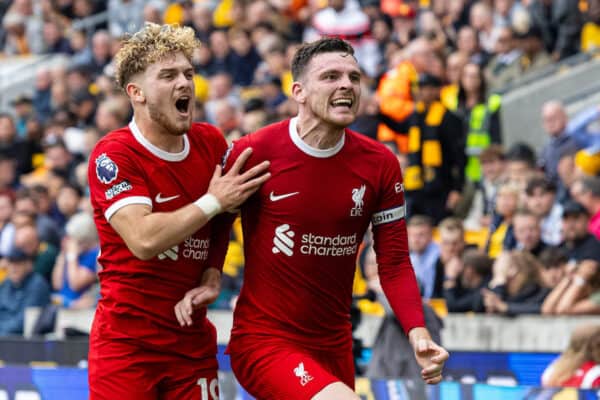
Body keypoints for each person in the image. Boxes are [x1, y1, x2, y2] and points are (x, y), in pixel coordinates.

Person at [183, 38, 448, 399]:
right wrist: (212, 273)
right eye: (331, 76)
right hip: (265, 341)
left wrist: (418, 332)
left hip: (334, 344)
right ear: (299, 91)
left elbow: (395, 262)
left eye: (354, 78)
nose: (346, 85)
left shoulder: (380, 164)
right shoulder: (255, 151)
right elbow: (218, 218)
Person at [86, 23, 270, 400]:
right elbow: (143, 239)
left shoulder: (209, 141)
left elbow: (223, 216)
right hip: (127, 347)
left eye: (188, 73)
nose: (184, 83)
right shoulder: (114, 154)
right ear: (135, 93)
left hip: (190, 344)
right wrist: (212, 201)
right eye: (168, 76)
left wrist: (213, 271)